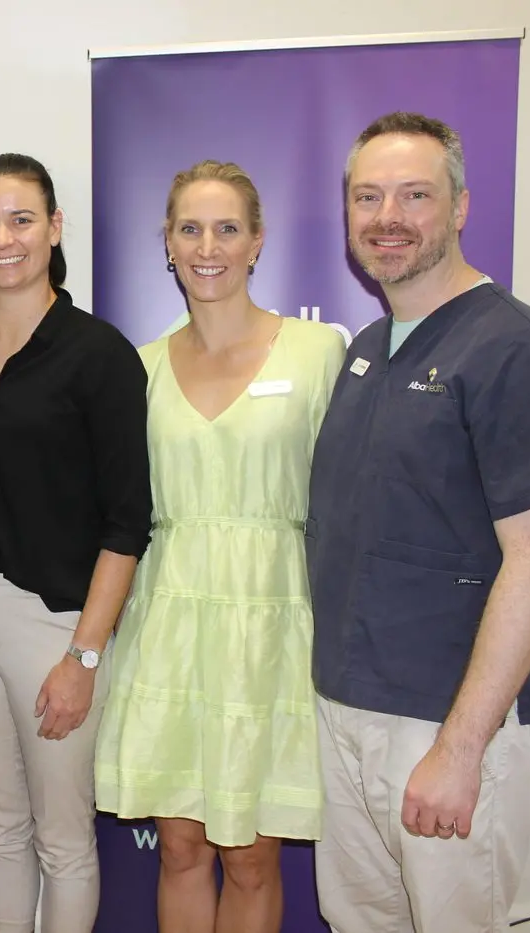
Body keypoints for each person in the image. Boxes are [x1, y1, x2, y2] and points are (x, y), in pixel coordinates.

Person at [307, 111, 530, 933]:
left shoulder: (515, 350)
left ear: (459, 207)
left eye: (413, 195)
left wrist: (460, 748)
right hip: (350, 706)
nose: (386, 217)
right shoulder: (367, 349)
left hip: (445, 721)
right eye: (367, 197)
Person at [94, 160, 346, 933]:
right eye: (190, 228)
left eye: (227, 228)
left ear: (257, 241)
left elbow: (346, 503)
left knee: (249, 856)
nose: (209, 246)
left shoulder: (317, 353)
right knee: (178, 849)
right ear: (166, 243)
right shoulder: (135, 369)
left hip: (273, 630)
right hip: (168, 626)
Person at [0, 153, 153, 933]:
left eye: (21, 219)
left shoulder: (99, 354)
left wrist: (83, 656)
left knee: (61, 836)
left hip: (55, 624)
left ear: (54, 229)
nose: (3, 238)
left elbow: (127, 523)